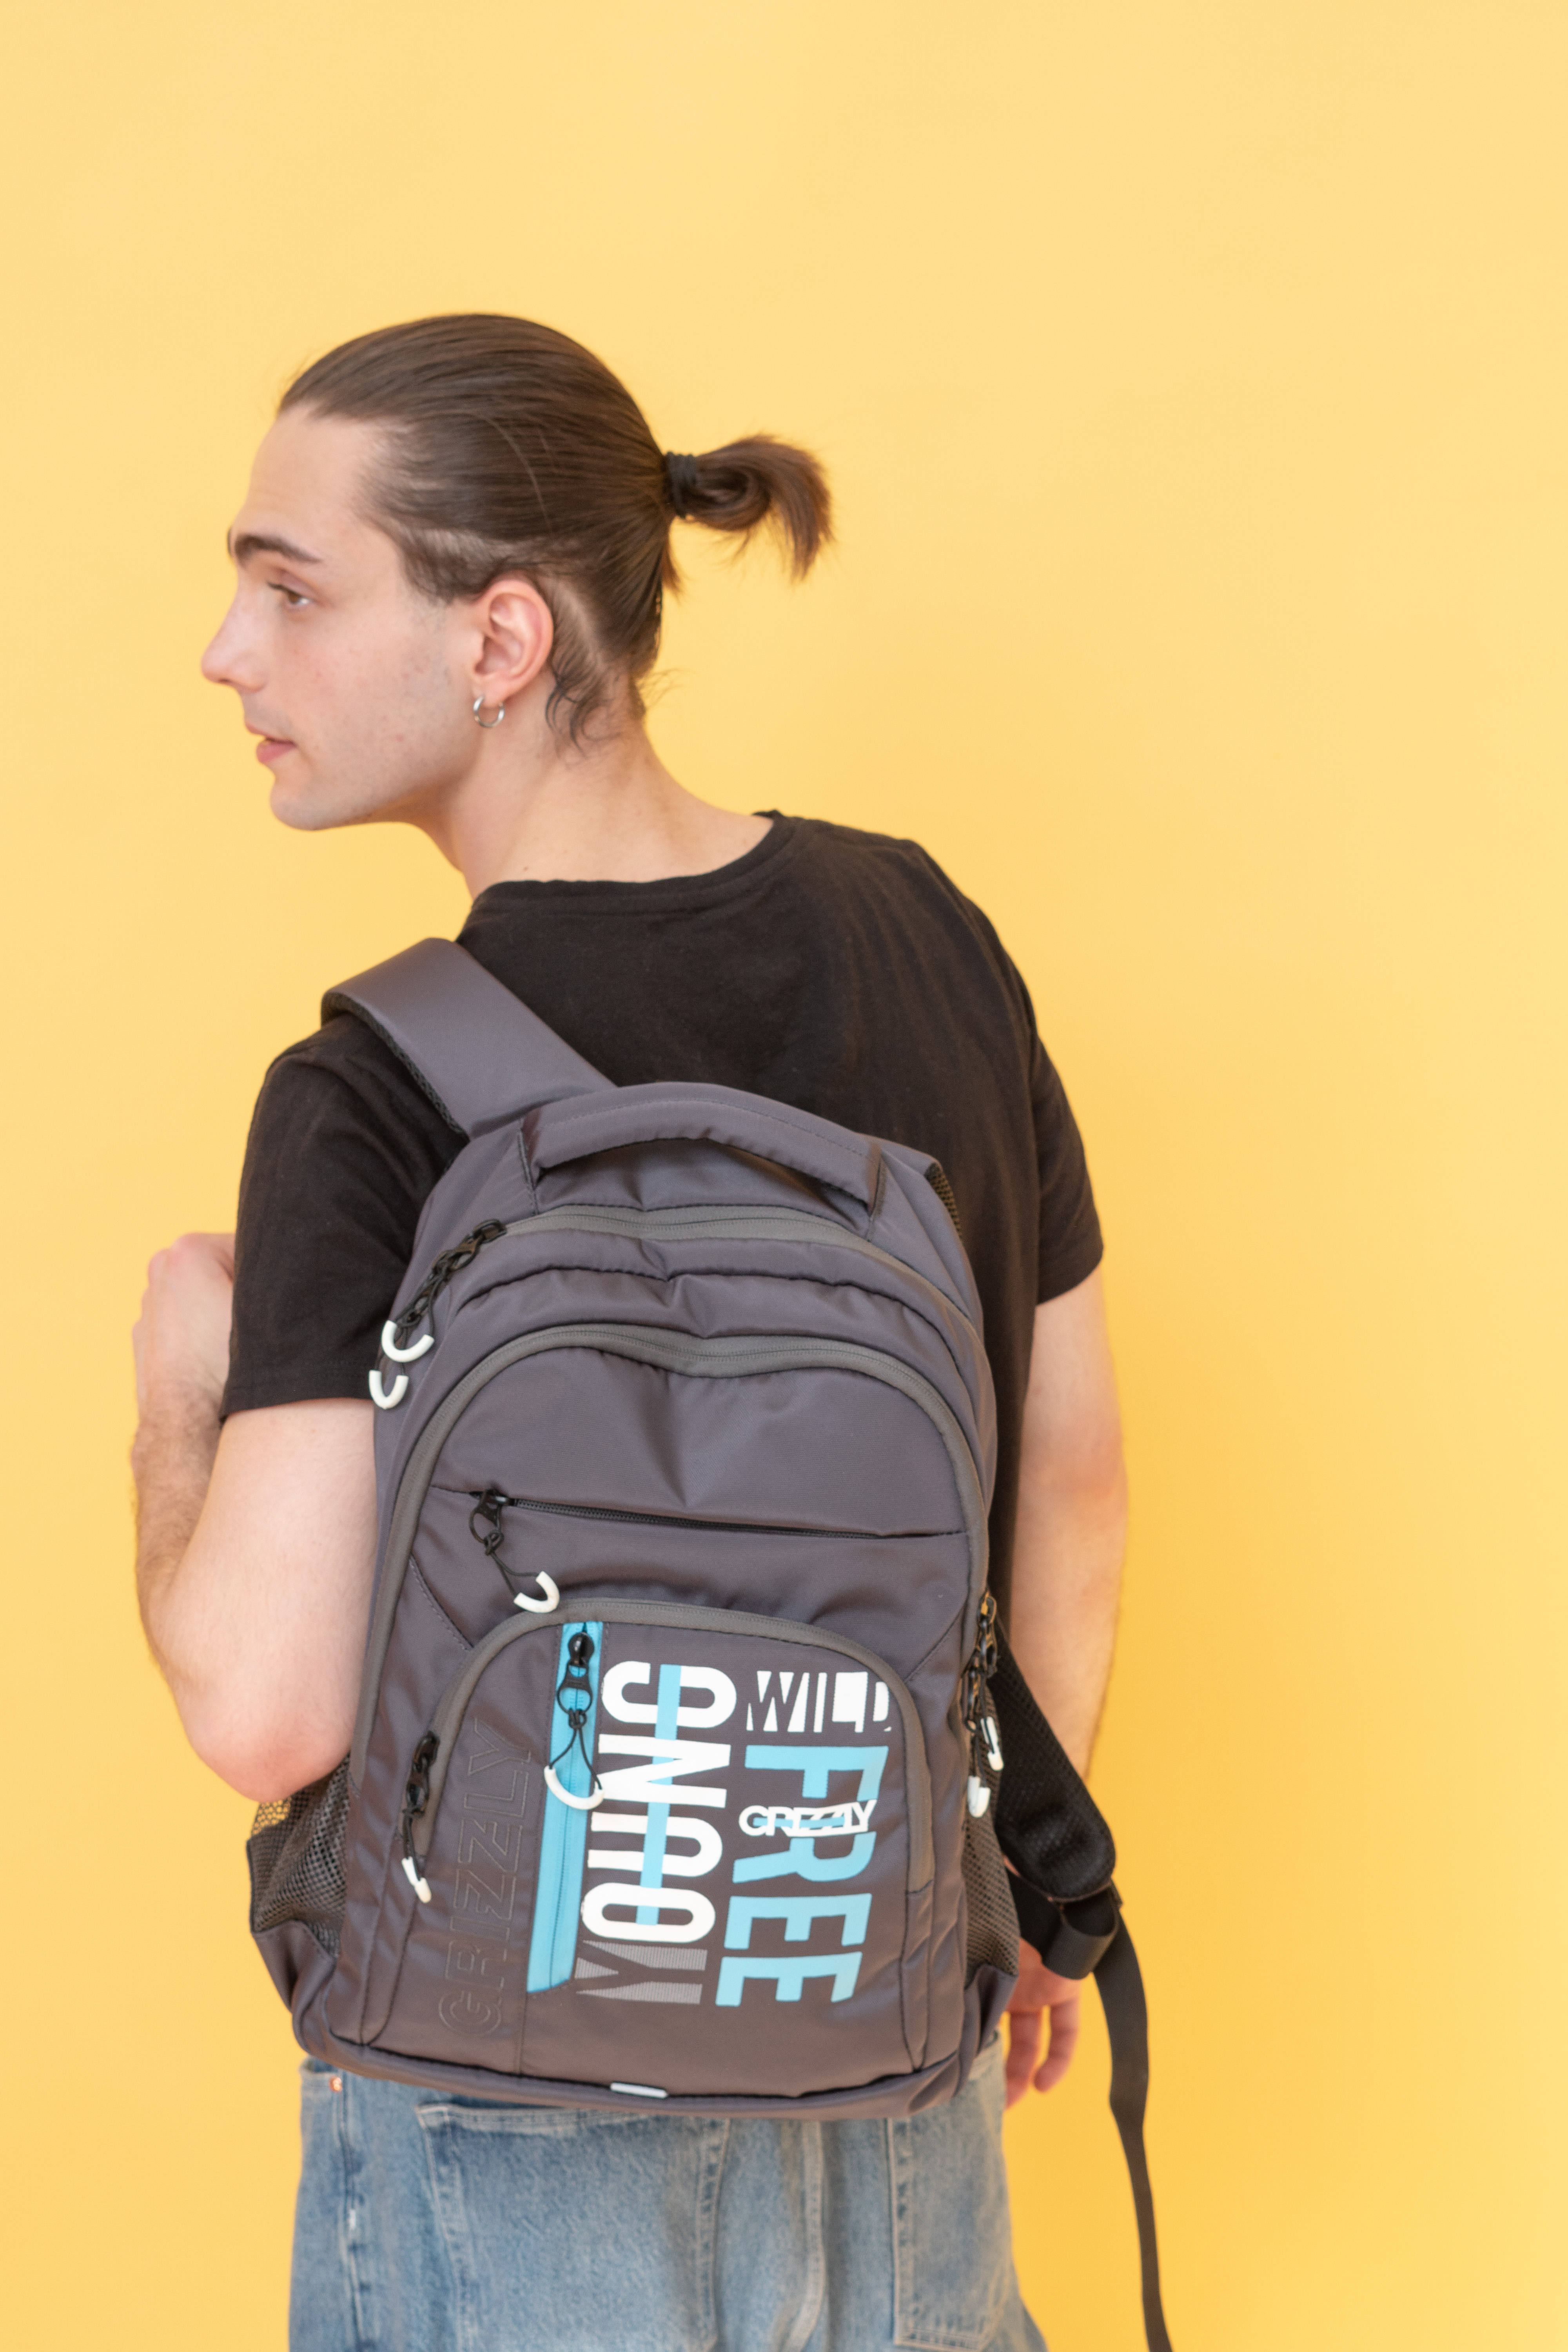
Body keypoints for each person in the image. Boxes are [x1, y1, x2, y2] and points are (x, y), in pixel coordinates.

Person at [131, 314, 1127, 2352]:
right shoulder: (929, 938)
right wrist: (1019, 1890)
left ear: (500, 639)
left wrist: (180, 1388)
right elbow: (1075, 1482)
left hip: (505, 2115)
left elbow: (263, 1710)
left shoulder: (370, 1091)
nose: (229, 654)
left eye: (292, 590)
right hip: (887, 2033)